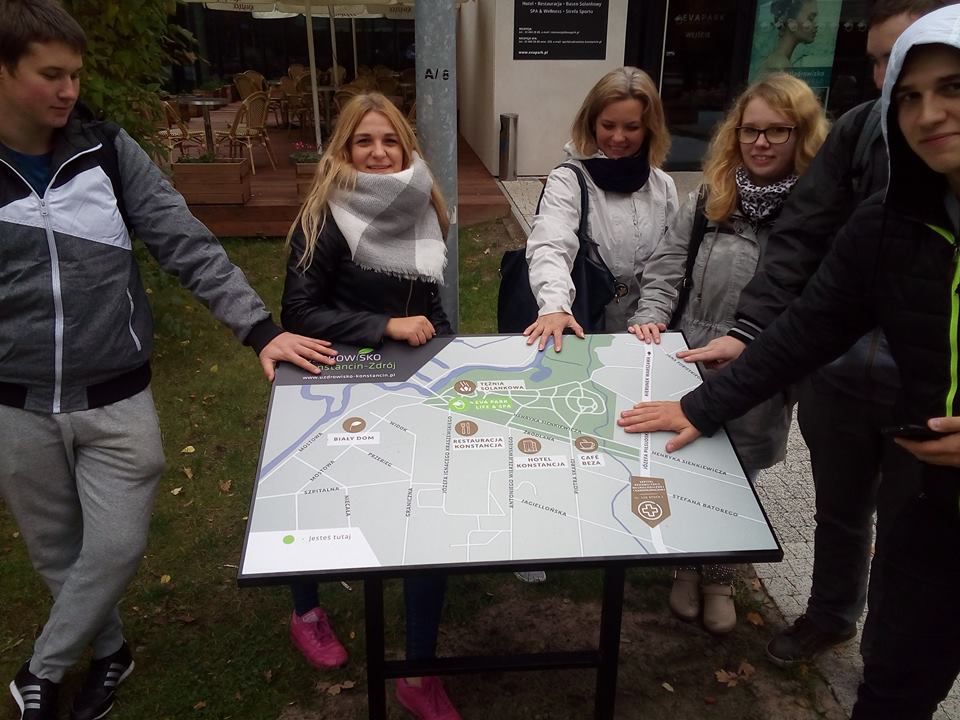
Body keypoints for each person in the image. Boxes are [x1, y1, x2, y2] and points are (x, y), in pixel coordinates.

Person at [619, 5, 960, 716]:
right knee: (898, 656)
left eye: (952, 87)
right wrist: (703, 400)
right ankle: (840, 625)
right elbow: (809, 319)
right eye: (907, 92)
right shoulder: (888, 221)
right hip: (918, 474)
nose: (928, 113)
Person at [0, 3, 337, 720]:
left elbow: (184, 241)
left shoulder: (105, 151)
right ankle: (110, 654)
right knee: (56, 551)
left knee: (116, 544)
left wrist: (258, 329)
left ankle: (42, 669)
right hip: (15, 401)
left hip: (115, 392)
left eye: (75, 74)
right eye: (50, 75)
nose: (68, 90)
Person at [628, 73, 828, 635]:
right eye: (750, 130)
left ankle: (719, 573)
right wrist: (652, 315)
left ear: (803, 135)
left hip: (766, 366)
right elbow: (669, 264)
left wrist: (766, 350)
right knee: (686, 458)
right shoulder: (711, 197)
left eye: (777, 131)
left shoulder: (818, 213)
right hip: (692, 353)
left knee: (739, 472)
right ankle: (685, 565)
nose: (760, 143)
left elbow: (817, 301)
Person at [281, 92, 459, 720]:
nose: (379, 153)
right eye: (364, 141)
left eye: (389, 141)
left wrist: (448, 350)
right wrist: (384, 325)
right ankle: (306, 610)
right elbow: (298, 313)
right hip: (334, 376)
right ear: (344, 149)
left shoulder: (421, 204)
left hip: (407, 378)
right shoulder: (323, 216)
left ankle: (417, 671)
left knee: (427, 511)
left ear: (405, 148)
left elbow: (429, 304)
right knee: (319, 497)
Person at [524, 66, 678, 353]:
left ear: (649, 128)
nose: (618, 137)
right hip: (581, 328)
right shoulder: (568, 179)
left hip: (643, 335)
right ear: (592, 123)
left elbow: (669, 263)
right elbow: (550, 244)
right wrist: (555, 305)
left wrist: (652, 314)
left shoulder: (663, 186)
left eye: (631, 127)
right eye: (608, 125)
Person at [762, 0, 820, 73]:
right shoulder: (779, 64)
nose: (816, 24)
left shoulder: (778, 60)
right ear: (792, 24)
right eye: (811, 18)